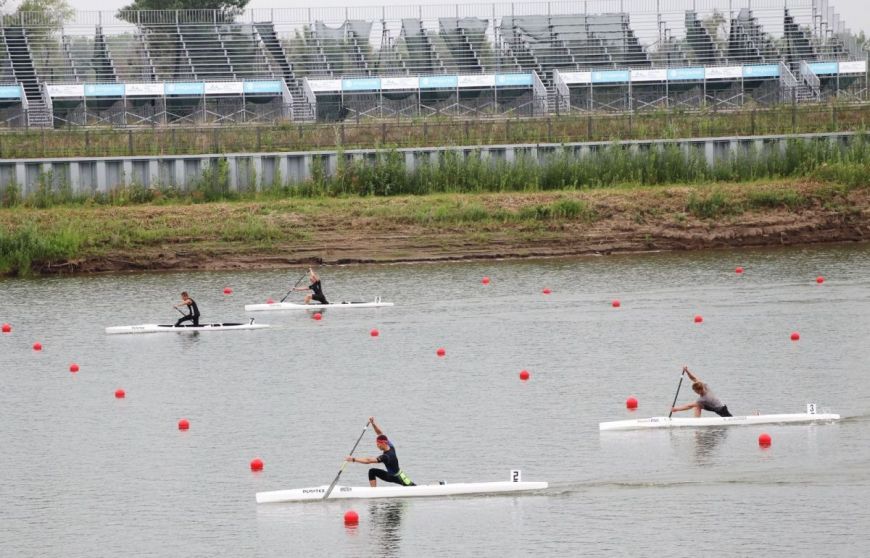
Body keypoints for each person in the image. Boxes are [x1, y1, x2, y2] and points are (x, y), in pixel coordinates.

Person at [346, 417, 415, 487]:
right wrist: (373, 423)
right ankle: (373, 492)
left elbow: (368, 460)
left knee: (413, 487)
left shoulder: (386, 456)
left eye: (378, 444)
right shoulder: (390, 446)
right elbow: (380, 433)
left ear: (383, 443)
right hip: (390, 474)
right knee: (372, 471)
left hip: (397, 477)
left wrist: (353, 459)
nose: (377, 446)